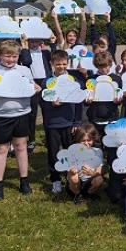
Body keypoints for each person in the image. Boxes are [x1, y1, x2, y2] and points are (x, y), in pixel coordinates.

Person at [0, 41, 41, 200]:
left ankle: (24, 181)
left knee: (20, 147)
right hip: (1, 117)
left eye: (14, 56)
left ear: (18, 56)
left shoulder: (24, 70)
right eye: (7, 56)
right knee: (1, 149)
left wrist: (37, 88)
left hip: (22, 114)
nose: (11, 60)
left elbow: (32, 86)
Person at [39, 50, 84, 194]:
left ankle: (71, 177)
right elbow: (42, 102)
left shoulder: (73, 81)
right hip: (52, 124)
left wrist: (77, 122)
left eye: (64, 64)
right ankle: (55, 180)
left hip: (69, 123)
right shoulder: (47, 82)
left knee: (70, 152)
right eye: (58, 64)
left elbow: (78, 103)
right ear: (52, 64)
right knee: (53, 153)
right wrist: (51, 104)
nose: (61, 67)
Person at [66, 124, 106, 205]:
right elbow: (68, 172)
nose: (86, 143)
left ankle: (89, 193)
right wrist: (73, 170)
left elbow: (99, 172)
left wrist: (92, 173)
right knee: (74, 177)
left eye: (89, 140)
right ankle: (77, 194)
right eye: (83, 141)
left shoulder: (98, 151)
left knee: (99, 179)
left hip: (89, 181)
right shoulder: (72, 151)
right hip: (76, 183)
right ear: (78, 140)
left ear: (93, 139)